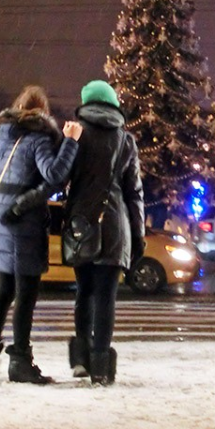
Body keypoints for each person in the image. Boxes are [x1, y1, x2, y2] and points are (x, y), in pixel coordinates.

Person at [0, 85, 82, 384]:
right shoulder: (38, 140)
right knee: (26, 295)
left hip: (0, 223)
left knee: (3, 292)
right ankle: (20, 362)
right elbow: (54, 176)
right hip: (25, 225)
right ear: (42, 112)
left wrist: (2, 209)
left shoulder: (0, 142)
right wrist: (70, 143)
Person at [62, 80, 144, 386]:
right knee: (106, 297)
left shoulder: (76, 133)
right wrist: (138, 234)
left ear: (86, 103)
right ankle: (100, 366)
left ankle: (81, 359)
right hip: (115, 226)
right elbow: (134, 193)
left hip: (82, 224)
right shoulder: (126, 140)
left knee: (84, 293)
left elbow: (61, 176)